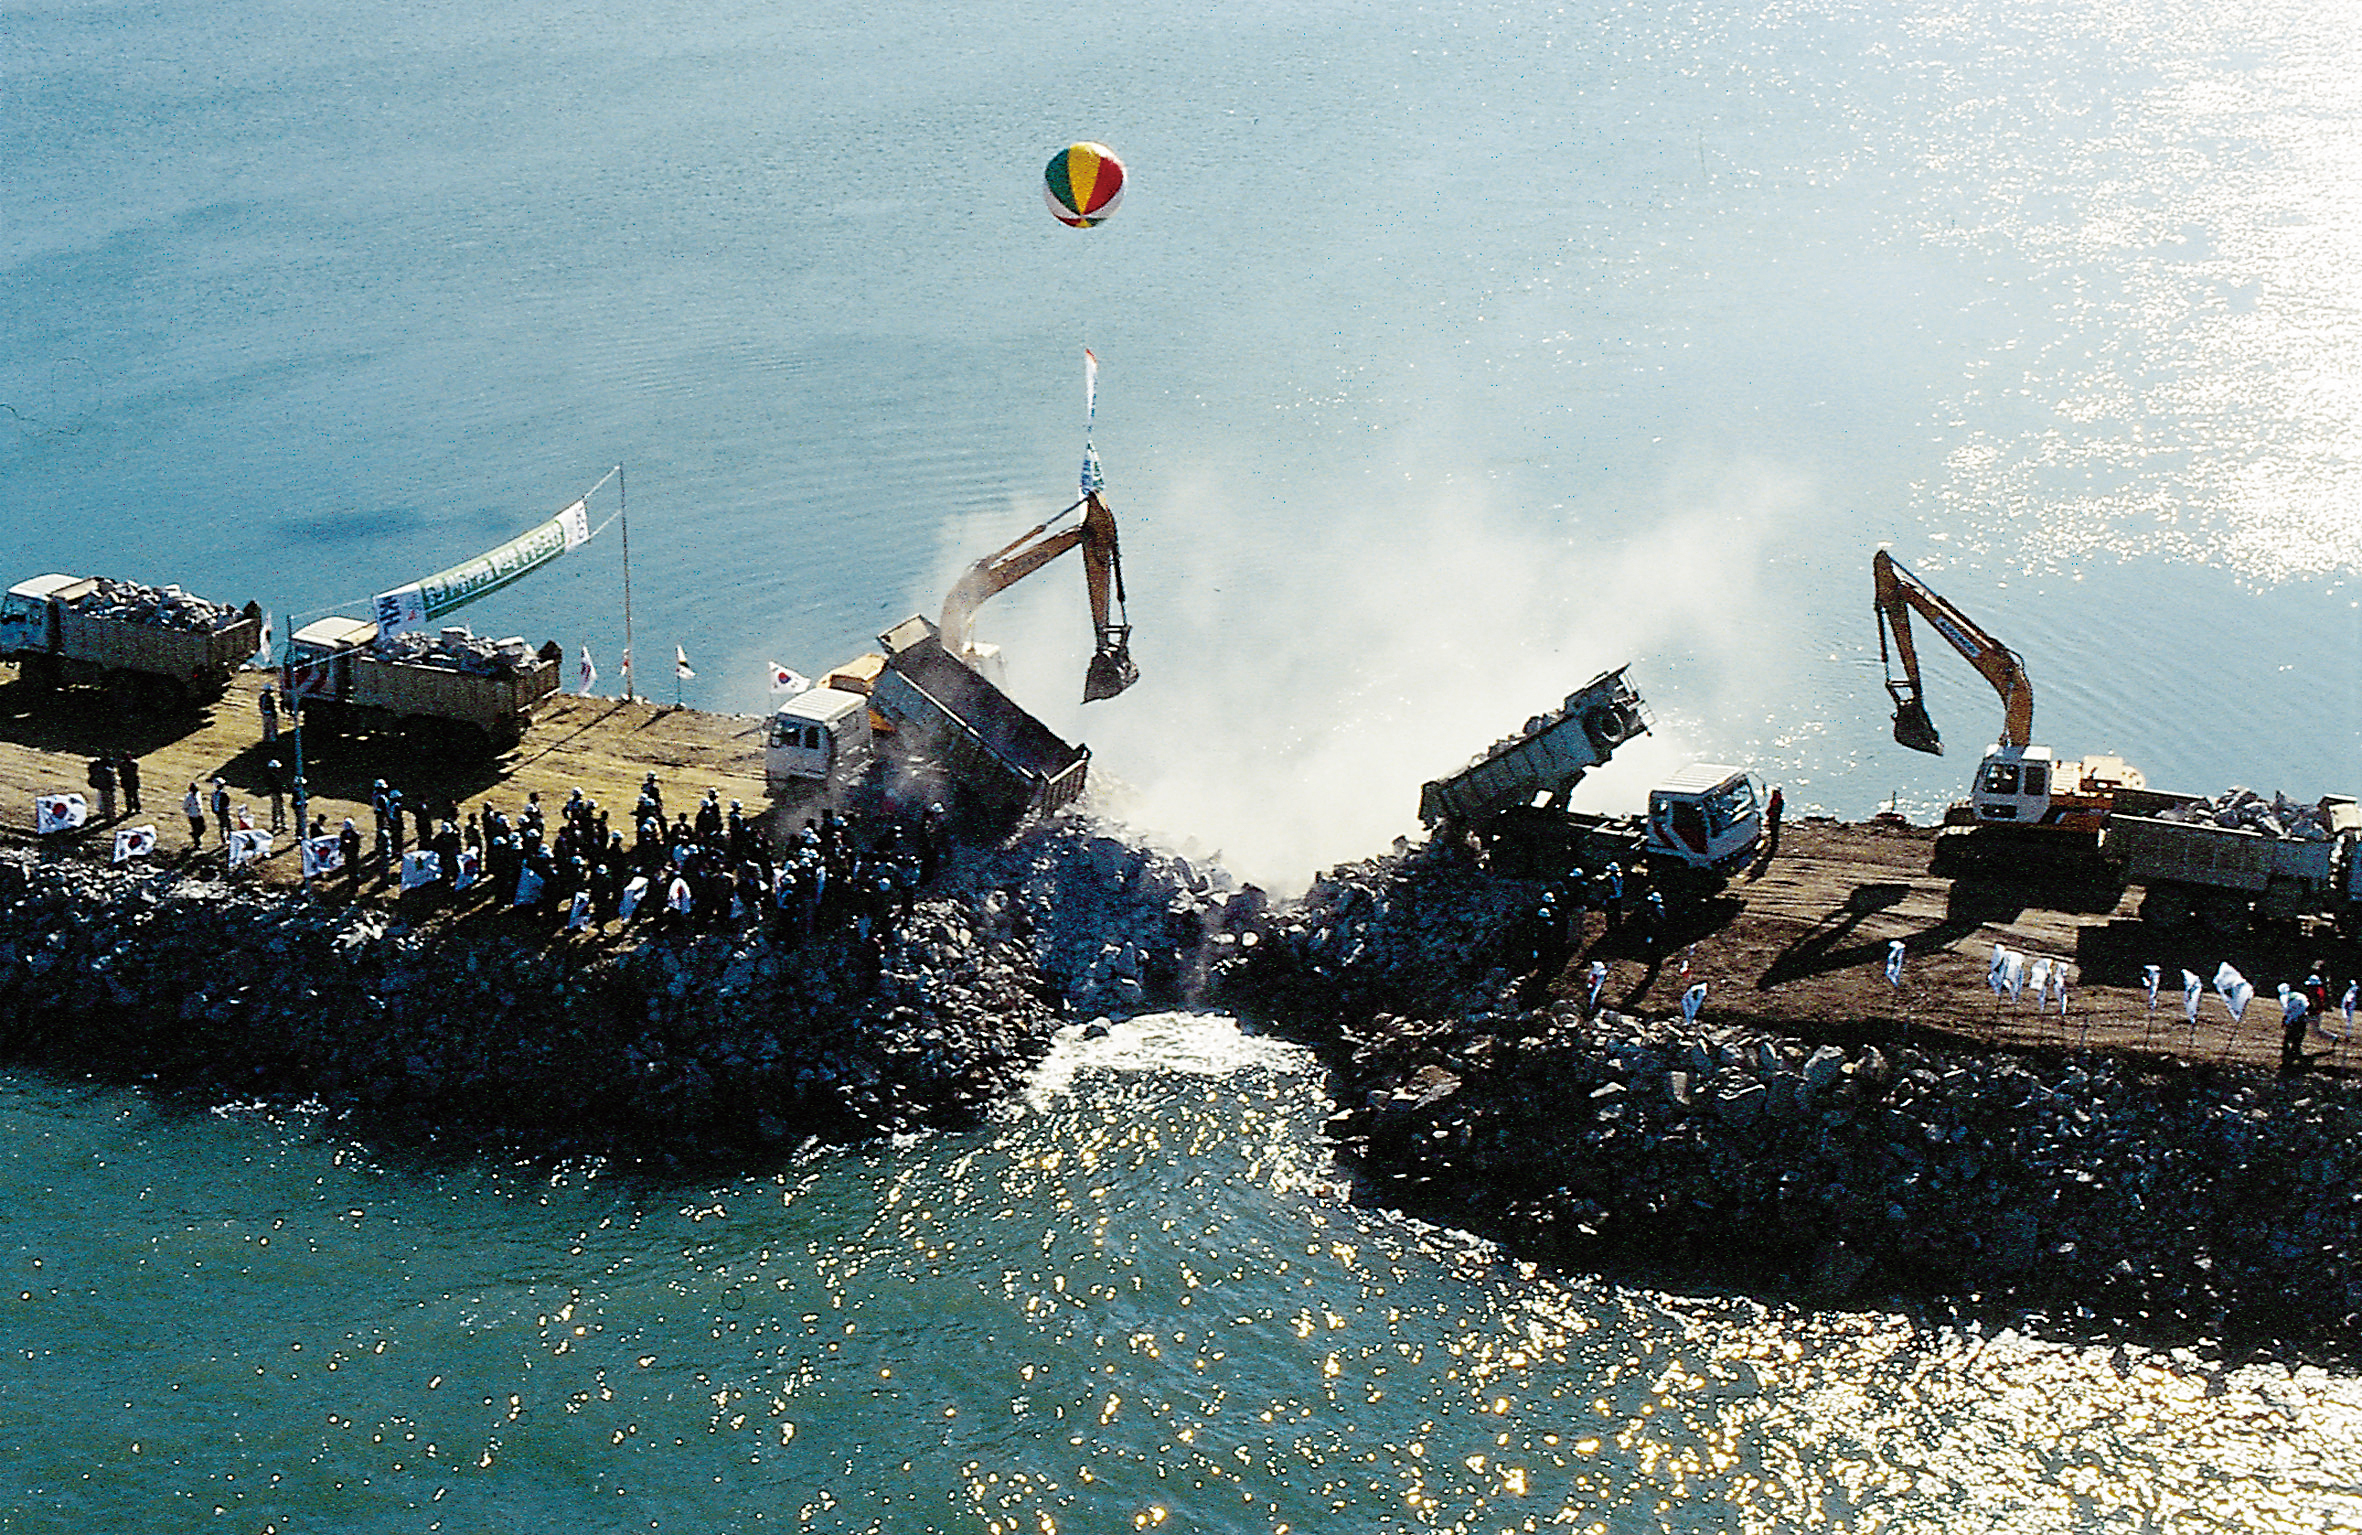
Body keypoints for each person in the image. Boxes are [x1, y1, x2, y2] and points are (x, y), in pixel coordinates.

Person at [87, 756, 116, 822]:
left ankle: (105, 813)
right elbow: (111, 780)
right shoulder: (108, 770)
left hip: (101, 787)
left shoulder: (97, 768)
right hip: (107, 787)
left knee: (103, 800)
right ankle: (110, 816)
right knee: (108, 802)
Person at [209, 777, 231, 846]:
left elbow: (212, 803)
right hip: (223, 811)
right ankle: (229, 839)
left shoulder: (214, 794)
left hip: (218, 811)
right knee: (228, 825)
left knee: (222, 825)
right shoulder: (223, 794)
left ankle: (223, 840)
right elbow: (227, 802)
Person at [183, 782, 206, 849]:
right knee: (196, 829)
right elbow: (185, 806)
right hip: (193, 816)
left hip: (199, 814)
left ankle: (194, 835)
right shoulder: (188, 797)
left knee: (203, 828)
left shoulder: (198, 794)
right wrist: (189, 812)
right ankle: (197, 844)